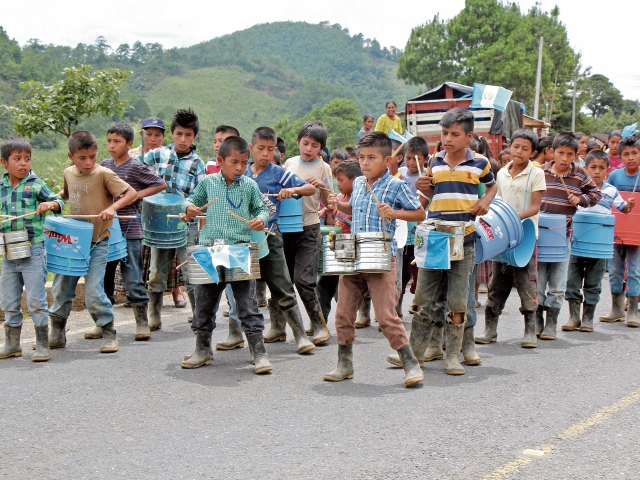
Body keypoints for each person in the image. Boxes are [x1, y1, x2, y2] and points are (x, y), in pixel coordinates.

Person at [396, 107, 497, 376]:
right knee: (424, 296)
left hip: (464, 239)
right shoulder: (434, 163)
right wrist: (422, 187)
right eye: (444, 133)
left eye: (454, 134)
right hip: (436, 238)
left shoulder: (480, 163)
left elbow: (492, 185)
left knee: (458, 300)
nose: (448, 139)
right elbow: (431, 194)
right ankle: (415, 353)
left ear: (469, 136)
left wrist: (485, 201)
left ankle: (453, 355)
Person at [324, 132, 425, 387]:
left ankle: (410, 362)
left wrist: (394, 213)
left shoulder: (396, 185)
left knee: (386, 315)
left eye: (372, 157)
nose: (366, 162)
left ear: (387, 160)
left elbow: (419, 212)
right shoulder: (358, 183)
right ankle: (344, 364)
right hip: (354, 255)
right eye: (362, 157)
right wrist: (339, 205)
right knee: (343, 313)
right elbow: (354, 209)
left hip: (381, 256)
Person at [180, 136, 272, 374]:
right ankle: (202, 350)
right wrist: (188, 209)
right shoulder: (209, 183)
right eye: (234, 162)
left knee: (247, 303)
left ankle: (259, 353)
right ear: (220, 161)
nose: (240, 168)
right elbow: (190, 201)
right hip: (210, 251)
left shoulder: (250, 186)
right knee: (204, 302)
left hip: (240, 250)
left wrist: (260, 220)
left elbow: (263, 208)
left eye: (244, 162)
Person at [48, 131, 137, 353]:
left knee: (94, 292)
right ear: (71, 156)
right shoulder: (68, 173)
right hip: (72, 243)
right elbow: (67, 194)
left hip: (98, 242)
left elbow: (131, 193)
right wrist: (53, 202)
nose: (88, 162)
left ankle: (109, 332)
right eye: (82, 158)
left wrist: (111, 208)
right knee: (60, 289)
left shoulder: (104, 174)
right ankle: (57, 333)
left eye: (92, 157)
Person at [87, 122, 165, 342]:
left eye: (117, 142)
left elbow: (159, 185)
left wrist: (136, 195)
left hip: (130, 229)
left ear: (129, 144)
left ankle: (141, 322)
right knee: (105, 278)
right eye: (109, 141)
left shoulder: (135, 166)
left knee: (133, 277)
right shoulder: (103, 165)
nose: (112, 146)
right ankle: (103, 322)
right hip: (107, 231)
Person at [243, 126, 316, 354]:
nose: (265, 153)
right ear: (251, 148)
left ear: (276, 150)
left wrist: (291, 189)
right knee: (244, 290)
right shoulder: (241, 173)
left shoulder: (278, 173)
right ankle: (238, 335)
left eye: (270, 149)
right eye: (260, 149)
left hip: (270, 236)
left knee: (283, 286)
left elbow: (310, 188)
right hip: (243, 240)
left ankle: (301, 336)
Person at [475, 129, 546, 348]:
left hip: (524, 236)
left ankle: (530, 331)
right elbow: (496, 203)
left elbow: (536, 206)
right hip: (502, 236)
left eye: (525, 149)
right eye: (516, 146)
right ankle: (490, 329)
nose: (519, 151)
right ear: (510, 146)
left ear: (533, 152)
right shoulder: (502, 173)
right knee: (497, 281)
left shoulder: (536, 174)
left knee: (526, 282)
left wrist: (515, 217)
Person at [140, 108, 206, 330]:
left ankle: (199, 315)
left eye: (188, 135)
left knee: (190, 269)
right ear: (172, 133)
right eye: (179, 134)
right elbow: (139, 176)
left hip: (187, 224)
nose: (183, 139)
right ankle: (154, 314)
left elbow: (201, 194)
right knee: (157, 269)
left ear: (194, 137)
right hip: (160, 222)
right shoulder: (156, 155)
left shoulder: (198, 164)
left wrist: (193, 212)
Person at [0, 137, 63, 362]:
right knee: (8, 300)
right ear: (4, 162)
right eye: (17, 159)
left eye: (27, 159)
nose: (23, 163)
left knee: (36, 299)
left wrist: (50, 204)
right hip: (8, 251)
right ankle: (12, 344)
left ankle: (43, 344)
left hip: (33, 250)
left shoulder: (35, 184)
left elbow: (59, 202)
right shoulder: (1, 187)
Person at [537, 132, 600, 340]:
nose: (564, 159)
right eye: (560, 153)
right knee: (538, 282)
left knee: (557, 284)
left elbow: (596, 194)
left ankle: (551, 324)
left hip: (563, 237)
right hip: (539, 236)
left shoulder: (579, 173)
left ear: (575, 155)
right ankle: (536, 322)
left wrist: (581, 199)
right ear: (551, 152)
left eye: (569, 154)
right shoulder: (539, 172)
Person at [564, 150, 634, 332]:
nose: (597, 171)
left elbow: (623, 208)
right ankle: (573, 317)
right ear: (585, 168)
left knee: (593, 282)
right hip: (578, 242)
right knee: (572, 280)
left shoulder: (611, 190)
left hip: (599, 246)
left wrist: (629, 206)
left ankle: (588, 318)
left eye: (601, 168)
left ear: (608, 170)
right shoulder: (577, 188)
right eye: (592, 167)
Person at [282, 121, 333, 345]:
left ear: (321, 148)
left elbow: (329, 201)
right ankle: (278, 327)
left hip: (309, 228)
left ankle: (319, 324)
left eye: (315, 145)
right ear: (298, 142)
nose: (309, 149)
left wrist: (321, 185)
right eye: (305, 143)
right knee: (282, 281)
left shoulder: (324, 167)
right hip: (285, 228)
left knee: (304, 280)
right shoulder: (289, 163)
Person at [127, 117, 185, 309]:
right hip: (140, 210)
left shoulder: (165, 156)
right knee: (149, 259)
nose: (152, 138)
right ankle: (144, 299)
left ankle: (177, 291)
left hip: (167, 214)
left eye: (157, 135)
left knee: (173, 257)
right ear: (141, 135)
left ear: (163, 137)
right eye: (148, 134)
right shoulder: (133, 157)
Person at [600, 136, 640, 327]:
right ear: (620, 156)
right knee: (615, 269)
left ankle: (632, 310)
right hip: (616, 231)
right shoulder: (615, 176)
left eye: (634, 153)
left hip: (637, 233)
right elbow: (609, 201)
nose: (630, 157)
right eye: (626, 154)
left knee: (634, 270)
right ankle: (616, 309)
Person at [317, 160, 361, 321]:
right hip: (335, 243)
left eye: (341, 180)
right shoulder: (340, 196)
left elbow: (352, 215)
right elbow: (331, 209)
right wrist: (324, 210)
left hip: (350, 246)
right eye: (337, 180)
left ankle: (346, 321)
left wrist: (339, 206)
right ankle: (320, 321)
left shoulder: (358, 198)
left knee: (344, 286)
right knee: (324, 284)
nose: (338, 184)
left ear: (354, 180)